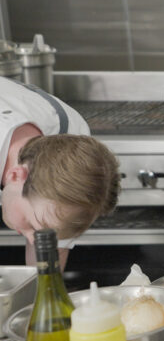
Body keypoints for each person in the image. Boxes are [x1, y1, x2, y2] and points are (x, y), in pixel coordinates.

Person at [0, 77, 120, 267]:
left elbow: (49, 258)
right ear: (15, 175)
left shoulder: (69, 136)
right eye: (33, 225)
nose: (34, 241)